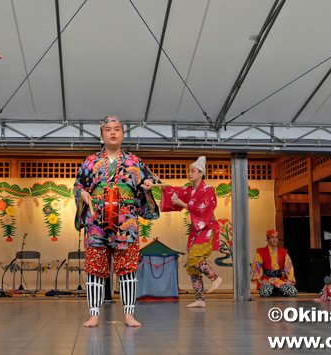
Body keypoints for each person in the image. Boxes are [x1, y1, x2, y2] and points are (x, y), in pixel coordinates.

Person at [74, 116, 159, 327]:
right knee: (95, 269)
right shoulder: (90, 161)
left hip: (125, 222)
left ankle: (129, 315)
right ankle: (94, 314)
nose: (113, 133)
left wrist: (147, 183)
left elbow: (148, 181)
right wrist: (83, 193)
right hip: (97, 221)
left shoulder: (134, 161)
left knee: (128, 269)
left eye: (117, 129)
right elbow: (78, 186)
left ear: (122, 134)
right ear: (102, 134)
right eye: (108, 129)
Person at [166, 156, 222, 308]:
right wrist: (160, 183)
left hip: (207, 229)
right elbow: (175, 190)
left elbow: (203, 210)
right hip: (196, 231)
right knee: (192, 266)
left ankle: (215, 277)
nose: (189, 174)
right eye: (189, 171)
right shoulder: (190, 190)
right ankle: (200, 299)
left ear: (201, 173)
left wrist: (182, 204)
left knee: (194, 258)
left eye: (193, 171)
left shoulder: (208, 190)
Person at [250, 230, 296, 297]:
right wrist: (259, 280)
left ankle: (276, 290)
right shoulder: (261, 252)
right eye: (272, 237)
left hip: (279, 279)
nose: (274, 239)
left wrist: (290, 280)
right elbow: (256, 266)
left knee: (292, 292)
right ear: (267, 239)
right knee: (265, 292)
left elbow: (289, 266)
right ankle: (276, 291)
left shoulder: (283, 252)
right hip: (267, 278)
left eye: (276, 237)